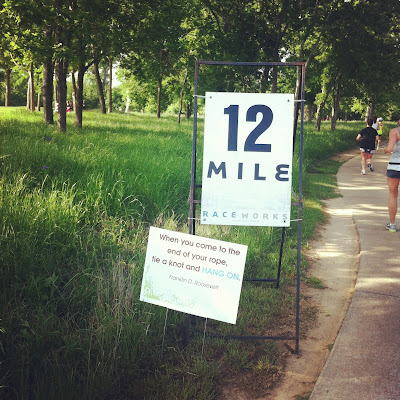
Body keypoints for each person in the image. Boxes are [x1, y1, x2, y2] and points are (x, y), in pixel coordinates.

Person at [383, 124, 400, 232]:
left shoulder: (394, 131)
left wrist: (384, 150)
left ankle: (392, 224)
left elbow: (389, 149)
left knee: (393, 195)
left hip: (395, 166)